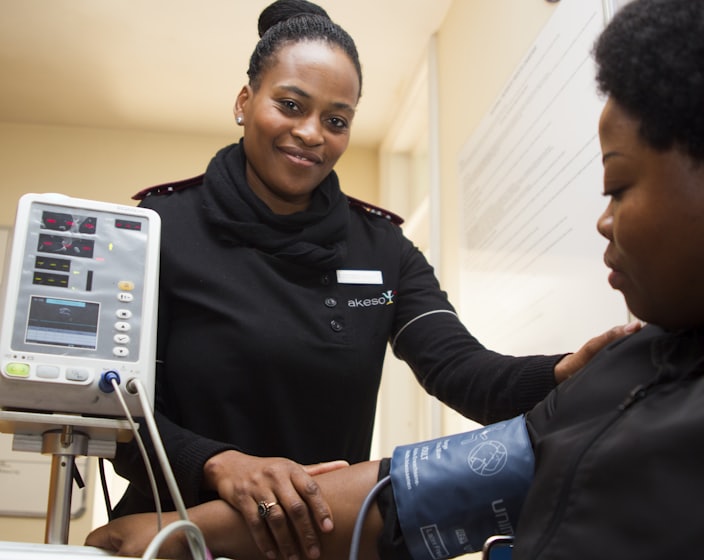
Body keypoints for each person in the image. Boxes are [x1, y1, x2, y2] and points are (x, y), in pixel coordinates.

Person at [106, 1, 636, 559]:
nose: (311, 134)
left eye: (336, 120)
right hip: (167, 536)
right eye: (290, 105)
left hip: (312, 540)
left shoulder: (382, 249)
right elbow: (114, 411)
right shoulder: (157, 229)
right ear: (244, 102)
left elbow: (460, 369)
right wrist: (221, 465)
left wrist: (561, 374)